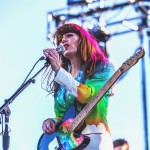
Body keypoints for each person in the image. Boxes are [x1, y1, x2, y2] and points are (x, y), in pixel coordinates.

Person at [41, 23, 115, 150]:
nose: (63, 40)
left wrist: (59, 71)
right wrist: (52, 122)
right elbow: (62, 116)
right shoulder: (61, 79)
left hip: (94, 138)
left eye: (69, 35)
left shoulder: (103, 67)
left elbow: (89, 96)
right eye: (60, 39)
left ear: (83, 41)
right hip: (70, 144)